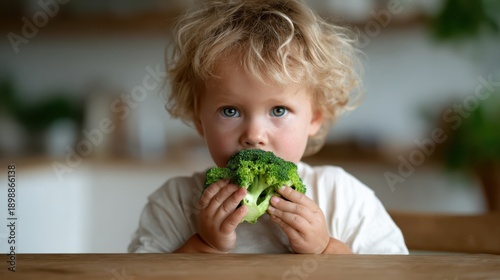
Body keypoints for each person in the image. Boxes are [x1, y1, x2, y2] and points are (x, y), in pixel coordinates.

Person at [128, 0, 408, 254]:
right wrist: (204, 246)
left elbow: (394, 272)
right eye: (230, 111)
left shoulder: (341, 197)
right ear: (199, 121)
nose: (253, 135)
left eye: (278, 110)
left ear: (314, 118)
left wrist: (325, 251)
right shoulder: (174, 204)